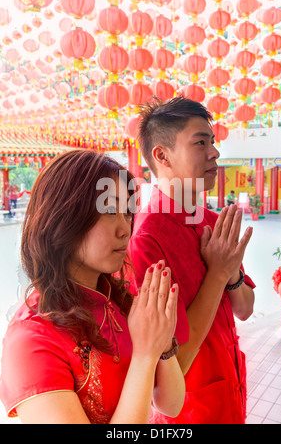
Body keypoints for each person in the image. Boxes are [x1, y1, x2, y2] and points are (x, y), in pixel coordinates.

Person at [0, 150, 185, 424]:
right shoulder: (32, 340)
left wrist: (162, 340)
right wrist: (146, 354)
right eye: (110, 210)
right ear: (62, 216)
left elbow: (171, 404)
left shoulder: (120, 299)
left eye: (127, 212)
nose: (125, 229)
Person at [128, 97, 255, 424]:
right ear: (162, 155)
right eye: (200, 142)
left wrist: (231, 275)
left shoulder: (211, 220)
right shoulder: (146, 240)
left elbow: (245, 308)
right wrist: (218, 272)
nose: (214, 153)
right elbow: (174, 364)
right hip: (190, 412)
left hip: (232, 391)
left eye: (212, 142)